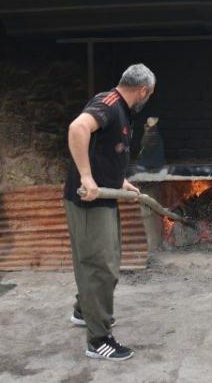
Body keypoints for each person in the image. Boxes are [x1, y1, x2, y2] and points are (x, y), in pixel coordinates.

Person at [63, 63, 156, 361]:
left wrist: (121, 181)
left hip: (105, 196)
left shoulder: (121, 110)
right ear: (143, 90)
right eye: (149, 94)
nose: (148, 99)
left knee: (103, 261)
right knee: (100, 268)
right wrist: (87, 178)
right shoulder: (109, 103)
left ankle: (83, 311)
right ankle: (98, 340)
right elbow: (78, 128)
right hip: (89, 200)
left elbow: (105, 151)